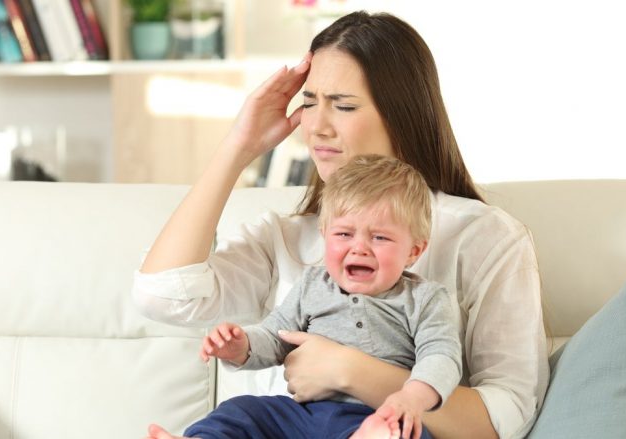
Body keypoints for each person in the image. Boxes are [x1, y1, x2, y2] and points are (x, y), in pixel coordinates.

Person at [133, 10, 548, 439]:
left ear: (401, 114)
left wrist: (349, 370)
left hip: (385, 426)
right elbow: (161, 297)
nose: (316, 125)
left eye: (343, 105)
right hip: (286, 425)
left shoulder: (484, 237)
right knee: (237, 414)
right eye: (309, 102)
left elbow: (507, 417)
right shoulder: (285, 237)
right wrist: (239, 146)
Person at [178, 155, 461, 439]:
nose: (359, 248)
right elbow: (277, 335)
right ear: (325, 235)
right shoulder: (312, 284)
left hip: (376, 413)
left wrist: (411, 399)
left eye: (380, 238)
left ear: (414, 251)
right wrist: (241, 345)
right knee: (240, 411)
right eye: (344, 234)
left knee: (406, 432)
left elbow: (441, 357)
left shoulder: (424, 298)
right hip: (302, 416)